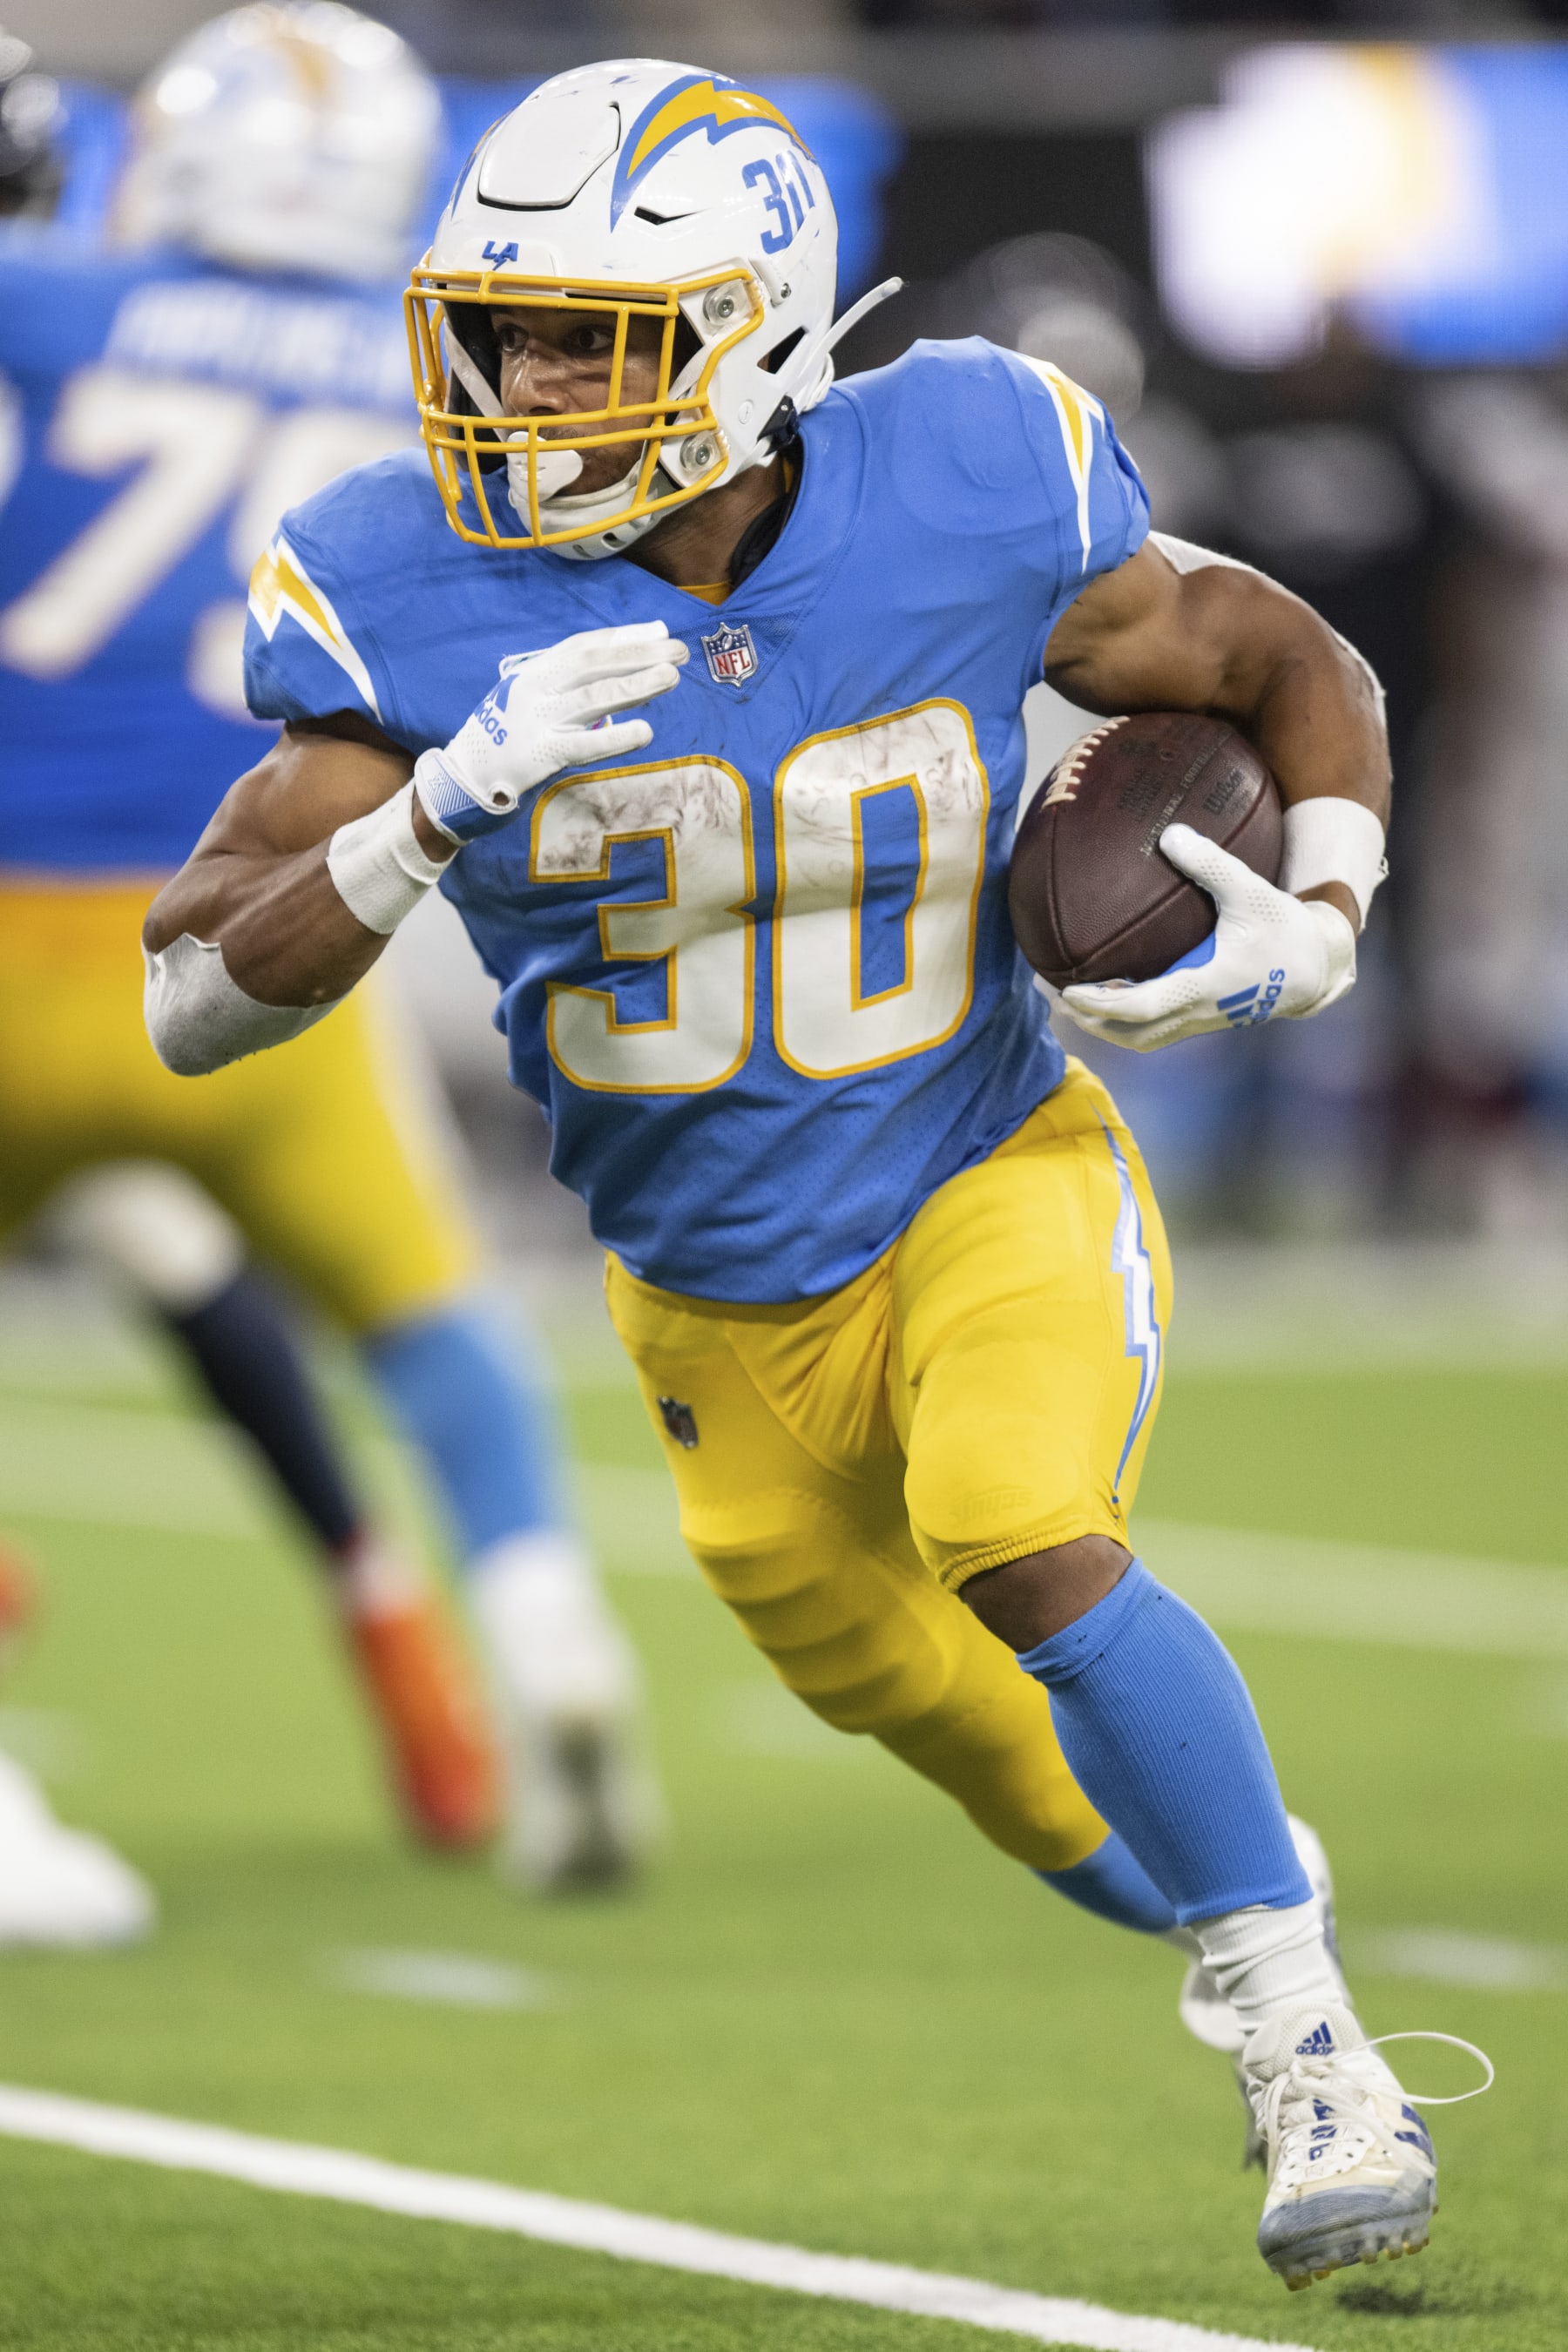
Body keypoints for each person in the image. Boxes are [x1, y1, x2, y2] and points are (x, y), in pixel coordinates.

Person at [143, 59, 1486, 2288]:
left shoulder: (967, 458)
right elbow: (198, 1001)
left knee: (1018, 1528)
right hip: (702, 1296)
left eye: (596, 336)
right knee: (970, 1738)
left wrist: (1320, 917)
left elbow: (1276, 654)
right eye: (507, 332)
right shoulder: (404, 587)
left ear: (756, 329)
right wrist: (430, 811)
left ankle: (1307, 2036)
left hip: (984, 1161)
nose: (530, 388)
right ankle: (1241, 1874)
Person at [0, 5, 657, 1892]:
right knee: (434, 1321)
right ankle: (549, 1637)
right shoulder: (426, 376)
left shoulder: (48, 306)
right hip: (267, 942)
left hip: (17, 930)